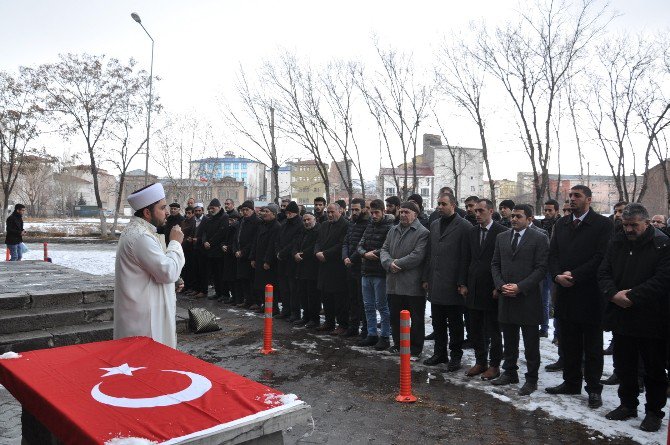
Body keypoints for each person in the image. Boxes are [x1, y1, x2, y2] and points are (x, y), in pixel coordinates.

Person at [598, 203, 670, 432]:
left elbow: (663, 279)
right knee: (624, 365)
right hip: (622, 316)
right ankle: (627, 404)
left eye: (634, 225)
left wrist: (632, 296)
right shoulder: (617, 241)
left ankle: (654, 412)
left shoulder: (662, 244)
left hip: (652, 319)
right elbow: (604, 272)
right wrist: (613, 294)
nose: (628, 229)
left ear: (647, 223)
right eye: (625, 224)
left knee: (653, 369)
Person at [546, 185, 613, 410]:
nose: (572, 199)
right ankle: (571, 382)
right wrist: (557, 275)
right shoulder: (561, 224)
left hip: (589, 294)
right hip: (565, 292)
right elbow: (552, 254)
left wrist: (574, 275)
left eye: (577, 196)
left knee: (592, 346)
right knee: (569, 342)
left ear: (589, 200)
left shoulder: (603, 225)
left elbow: (601, 257)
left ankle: (593, 389)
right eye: (571, 196)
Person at [114, 183, 185, 348]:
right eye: (162, 208)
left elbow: (155, 269)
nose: (166, 212)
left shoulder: (142, 231)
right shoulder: (140, 237)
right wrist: (175, 243)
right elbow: (167, 271)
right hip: (144, 321)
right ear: (147, 212)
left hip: (147, 312)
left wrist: (173, 282)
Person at [491, 204, 549, 395]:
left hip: (528, 298)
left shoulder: (539, 238)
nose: (514, 219)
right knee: (509, 338)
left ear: (530, 219)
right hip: (506, 297)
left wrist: (520, 287)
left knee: (531, 342)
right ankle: (509, 372)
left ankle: (531, 379)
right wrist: (501, 286)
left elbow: (541, 268)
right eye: (513, 216)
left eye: (519, 216)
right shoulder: (502, 237)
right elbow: (495, 264)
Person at [459, 198, 508, 380]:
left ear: (491, 211)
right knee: (475, 328)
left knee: (493, 330)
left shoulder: (502, 232)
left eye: (481, 211)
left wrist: (499, 286)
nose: (477, 214)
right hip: (473, 288)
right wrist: (462, 283)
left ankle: (495, 365)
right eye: (476, 211)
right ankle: (481, 361)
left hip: (492, 289)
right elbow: (465, 259)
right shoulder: (472, 232)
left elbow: (504, 263)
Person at [423, 193, 472, 370]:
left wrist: (462, 282)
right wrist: (426, 278)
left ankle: (455, 356)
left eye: (443, 204)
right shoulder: (434, 224)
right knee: (438, 321)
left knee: (455, 323)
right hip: (436, 282)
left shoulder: (465, 226)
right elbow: (429, 253)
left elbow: (466, 257)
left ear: (453, 205)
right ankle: (440, 353)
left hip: (453, 284)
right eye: (438, 204)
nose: (439, 207)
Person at [381, 201, 429, 357]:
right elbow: (384, 249)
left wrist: (397, 263)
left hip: (412, 284)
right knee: (395, 316)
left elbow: (417, 256)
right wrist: (388, 263)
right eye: (401, 212)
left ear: (415, 214)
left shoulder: (423, 232)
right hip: (394, 283)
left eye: (406, 212)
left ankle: (415, 348)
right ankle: (398, 344)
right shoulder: (393, 230)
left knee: (415, 318)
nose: (402, 214)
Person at [357, 199, 394, 350]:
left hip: (380, 272)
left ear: (383, 211)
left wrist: (373, 253)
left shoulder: (390, 227)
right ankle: (372, 334)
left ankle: (385, 336)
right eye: (371, 213)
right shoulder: (369, 226)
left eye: (376, 212)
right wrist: (365, 254)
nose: (373, 215)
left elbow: (388, 247)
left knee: (382, 306)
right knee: (368, 306)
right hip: (366, 270)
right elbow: (360, 245)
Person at [315, 203, 350, 335]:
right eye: (328, 212)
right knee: (326, 296)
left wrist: (325, 254)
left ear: (339, 211)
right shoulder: (324, 225)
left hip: (337, 266)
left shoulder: (345, 225)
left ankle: (342, 324)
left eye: (332, 212)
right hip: (323, 265)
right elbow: (318, 241)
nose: (329, 214)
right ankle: (329, 322)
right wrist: (317, 252)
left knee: (339, 298)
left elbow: (342, 244)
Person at [342, 198, 370, 337]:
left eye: (357, 209)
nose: (354, 212)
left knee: (362, 300)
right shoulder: (351, 223)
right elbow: (346, 242)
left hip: (361, 267)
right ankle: (352, 327)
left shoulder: (367, 224)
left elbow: (362, 244)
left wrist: (350, 258)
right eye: (352, 209)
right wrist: (345, 257)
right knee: (352, 298)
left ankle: (365, 330)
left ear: (364, 209)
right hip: (349, 266)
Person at [250, 204, 282, 313]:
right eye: (263, 211)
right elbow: (255, 242)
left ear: (273, 214)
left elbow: (273, 245)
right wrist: (253, 257)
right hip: (259, 259)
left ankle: (273, 307)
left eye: (267, 211)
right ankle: (265, 305)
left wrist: (268, 261)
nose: (264, 213)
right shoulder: (262, 225)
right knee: (261, 285)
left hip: (269, 262)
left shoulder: (276, 226)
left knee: (270, 285)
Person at [276, 201, 302, 320]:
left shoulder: (300, 224)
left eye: (290, 213)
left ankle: (294, 313)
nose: (288, 215)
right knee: (284, 288)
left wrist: (282, 252)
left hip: (291, 261)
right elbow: (278, 239)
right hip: (282, 260)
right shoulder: (284, 223)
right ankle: (285, 310)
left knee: (293, 289)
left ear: (296, 213)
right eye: (287, 213)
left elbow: (295, 242)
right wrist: (278, 252)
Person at [293, 212, 321, 328]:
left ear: (314, 219)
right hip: (301, 268)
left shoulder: (318, 231)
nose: (306, 222)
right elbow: (295, 244)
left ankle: (314, 319)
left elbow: (315, 246)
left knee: (313, 295)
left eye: (308, 219)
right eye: (304, 220)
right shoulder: (302, 231)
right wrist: (295, 253)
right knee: (303, 294)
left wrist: (301, 254)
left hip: (312, 268)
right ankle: (306, 316)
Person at [199, 199, 229, 301]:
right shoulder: (210, 218)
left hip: (219, 250)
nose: (211, 210)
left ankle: (223, 294)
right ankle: (218, 292)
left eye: (213, 208)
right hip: (210, 250)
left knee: (221, 273)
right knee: (215, 274)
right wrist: (205, 241)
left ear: (219, 207)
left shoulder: (224, 217)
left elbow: (221, 233)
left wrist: (210, 242)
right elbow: (204, 231)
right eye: (210, 208)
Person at [234, 200, 260, 308]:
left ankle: (255, 301)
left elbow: (254, 240)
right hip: (240, 254)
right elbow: (236, 238)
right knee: (243, 279)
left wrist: (243, 251)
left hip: (249, 255)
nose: (244, 212)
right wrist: (235, 249)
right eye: (243, 210)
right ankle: (247, 299)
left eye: (247, 210)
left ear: (252, 210)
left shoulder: (257, 222)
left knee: (251, 279)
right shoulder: (242, 221)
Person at [221, 210, 241, 304]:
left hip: (234, 256)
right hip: (228, 255)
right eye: (229, 220)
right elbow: (225, 239)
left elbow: (236, 242)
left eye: (232, 220)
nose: (230, 222)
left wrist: (228, 247)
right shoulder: (229, 228)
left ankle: (237, 298)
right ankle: (233, 297)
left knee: (234, 279)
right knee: (229, 278)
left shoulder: (237, 228)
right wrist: (223, 245)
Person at [180, 206, 197, 294]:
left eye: (189, 213)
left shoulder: (194, 222)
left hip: (191, 248)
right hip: (183, 247)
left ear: (193, 213)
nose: (187, 215)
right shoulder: (183, 222)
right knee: (185, 268)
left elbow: (191, 234)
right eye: (186, 213)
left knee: (191, 269)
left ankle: (191, 286)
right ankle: (186, 286)